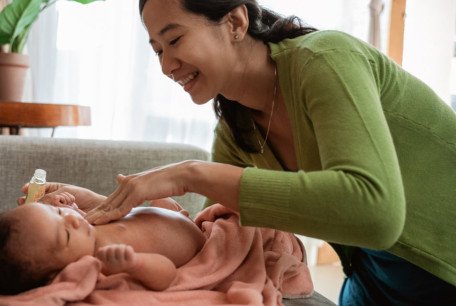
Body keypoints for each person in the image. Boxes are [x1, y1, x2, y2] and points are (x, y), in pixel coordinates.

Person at [83, 0, 456, 304]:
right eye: (158, 50)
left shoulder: (325, 59)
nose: (166, 66)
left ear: (234, 22)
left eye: (175, 40)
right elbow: (211, 247)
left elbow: (376, 213)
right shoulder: (234, 135)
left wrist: (189, 174)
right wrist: (97, 222)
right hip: (374, 280)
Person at [0, 185, 206, 295]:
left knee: (160, 200)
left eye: (60, 215)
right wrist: (135, 264)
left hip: (177, 216)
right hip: (194, 245)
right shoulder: (103, 261)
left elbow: (90, 212)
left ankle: (175, 213)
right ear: (60, 273)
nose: (72, 221)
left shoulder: (83, 225)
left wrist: (67, 203)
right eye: (66, 235)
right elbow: (166, 275)